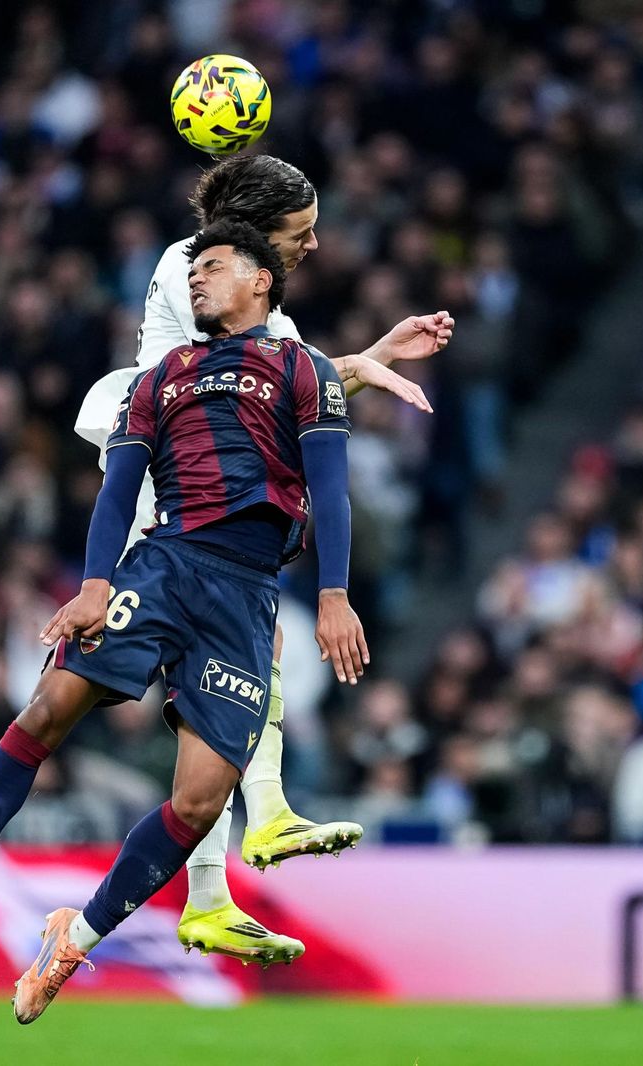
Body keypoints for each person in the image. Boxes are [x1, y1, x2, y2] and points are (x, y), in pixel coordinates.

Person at [0, 222, 363, 1024]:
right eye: (192, 270)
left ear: (262, 280)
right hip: (163, 565)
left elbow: (332, 483)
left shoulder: (302, 369)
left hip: (246, 597)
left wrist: (333, 594)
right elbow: (118, 491)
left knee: (199, 803)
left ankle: (72, 939)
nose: (196, 280)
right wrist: (91, 584)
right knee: (46, 710)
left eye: (212, 267)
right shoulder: (161, 378)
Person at [73, 153, 453, 962]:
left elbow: (296, 377)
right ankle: (264, 816)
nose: (314, 247)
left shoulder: (244, 297)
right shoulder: (201, 271)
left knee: (240, 655)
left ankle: (214, 886)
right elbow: (271, 379)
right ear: (256, 236)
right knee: (233, 650)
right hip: (171, 474)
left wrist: (374, 356)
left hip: (181, 471)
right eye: (301, 232)